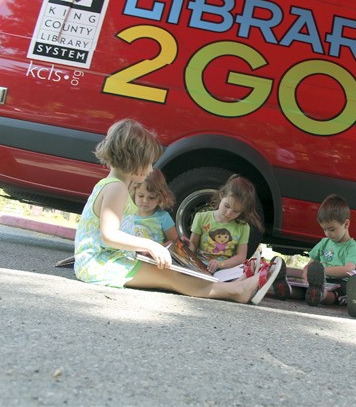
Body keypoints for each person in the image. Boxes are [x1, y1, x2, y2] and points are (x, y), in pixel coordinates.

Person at [73, 119, 278, 305]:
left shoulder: (114, 185)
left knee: (170, 270)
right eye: (149, 162)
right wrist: (150, 245)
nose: (151, 169)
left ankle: (234, 284)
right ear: (134, 160)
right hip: (99, 264)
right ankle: (236, 291)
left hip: (107, 259)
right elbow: (109, 235)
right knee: (170, 277)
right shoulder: (116, 188)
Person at [280, 194, 356, 306]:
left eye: (332, 229)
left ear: (346, 224)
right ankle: (287, 290)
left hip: (340, 283)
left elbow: (348, 270)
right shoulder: (324, 243)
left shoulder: (353, 247)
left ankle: (321, 295)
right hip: (319, 281)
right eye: (324, 229)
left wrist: (322, 270)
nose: (328, 233)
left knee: (339, 292)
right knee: (304, 290)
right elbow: (309, 266)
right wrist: (306, 273)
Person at [188, 174, 264, 273]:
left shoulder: (243, 227)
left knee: (240, 277)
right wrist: (187, 245)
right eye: (227, 206)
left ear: (243, 211)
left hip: (226, 269)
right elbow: (193, 245)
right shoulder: (201, 217)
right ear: (221, 195)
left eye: (236, 211)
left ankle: (259, 276)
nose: (229, 213)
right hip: (201, 266)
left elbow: (241, 257)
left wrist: (220, 264)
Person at [131, 169, 179, 244]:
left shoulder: (163, 218)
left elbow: (175, 242)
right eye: (140, 196)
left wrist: (161, 248)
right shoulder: (128, 214)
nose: (145, 201)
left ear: (160, 197)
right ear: (134, 193)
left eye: (151, 197)